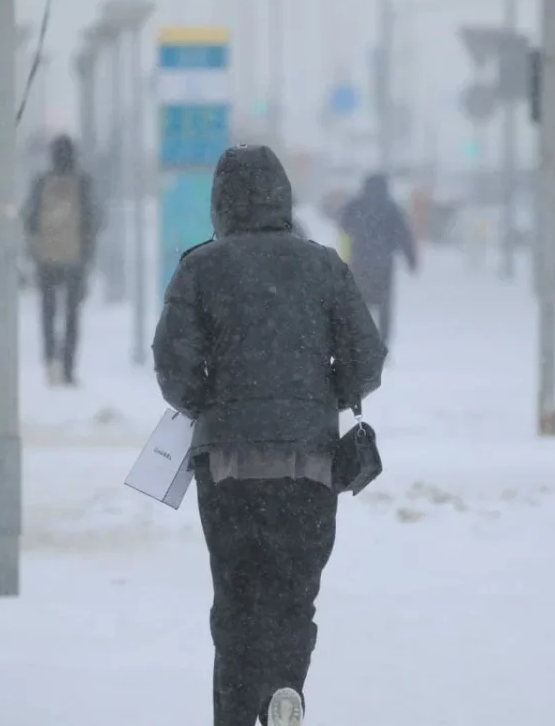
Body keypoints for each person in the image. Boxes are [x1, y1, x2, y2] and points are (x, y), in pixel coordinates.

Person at [152, 144, 387, 726]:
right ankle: (285, 688)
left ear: (220, 203)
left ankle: (234, 713)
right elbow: (366, 359)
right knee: (292, 596)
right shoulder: (323, 265)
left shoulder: (200, 267)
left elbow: (172, 362)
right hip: (308, 467)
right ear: (283, 198)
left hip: (228, 468)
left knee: (236, 600)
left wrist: (207, 401)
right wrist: (327, 393)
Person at [22, 134, 103, 386]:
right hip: (75, 260)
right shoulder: (83, 183)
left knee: (47, 313)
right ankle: (68, 368)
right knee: (71, 315)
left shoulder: (41, 182)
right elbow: (95, 218)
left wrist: (35, 248)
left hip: (46, 259)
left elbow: (29, 217)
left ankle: (50, 363)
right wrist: (87, 250)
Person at [338, 173, 418, 345]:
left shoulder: (356, 205)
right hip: (383, 264)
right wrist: (411, 260)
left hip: (359, 263)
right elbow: (404, 235)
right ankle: (382, 342)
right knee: (384, 305)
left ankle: (359, 342)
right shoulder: (391, 208)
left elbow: (343, 225)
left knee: (359, 303)